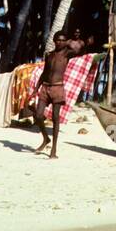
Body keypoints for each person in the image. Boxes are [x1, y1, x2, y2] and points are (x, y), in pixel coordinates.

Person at [34, 29, 82, 159]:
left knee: (55, 118)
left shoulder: (67, 53)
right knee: (38, 116)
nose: (59, 42)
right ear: (54, 41)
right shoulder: (49, 55)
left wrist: (69, 41)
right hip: (45, 87)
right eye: (57, 40)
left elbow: (78, 49)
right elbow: (44, 73)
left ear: (65, 41)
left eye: (62, 40)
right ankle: (46, 139)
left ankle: (53, 149)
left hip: (57, 88)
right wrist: (35, 89)